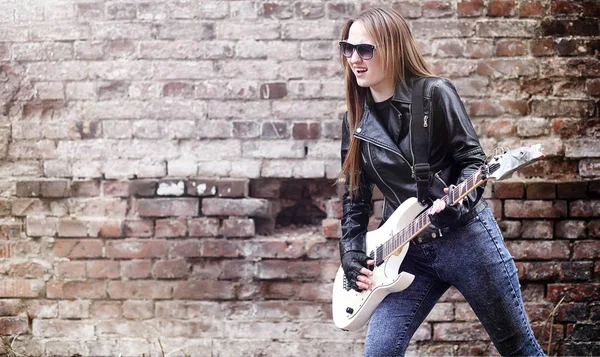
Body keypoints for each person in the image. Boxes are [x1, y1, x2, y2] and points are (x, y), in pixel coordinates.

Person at [337, 7, 545, 357]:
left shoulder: (434, 94)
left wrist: (455, 205)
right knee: (380, 352)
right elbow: (355, 197)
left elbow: (473, 164)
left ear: (392, 48)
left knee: (518, 349)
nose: (355, 59)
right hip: (406, 252)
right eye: (348, 48)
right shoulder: (355, 118)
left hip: (468, 241)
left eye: (365, 49)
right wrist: (351, 249)